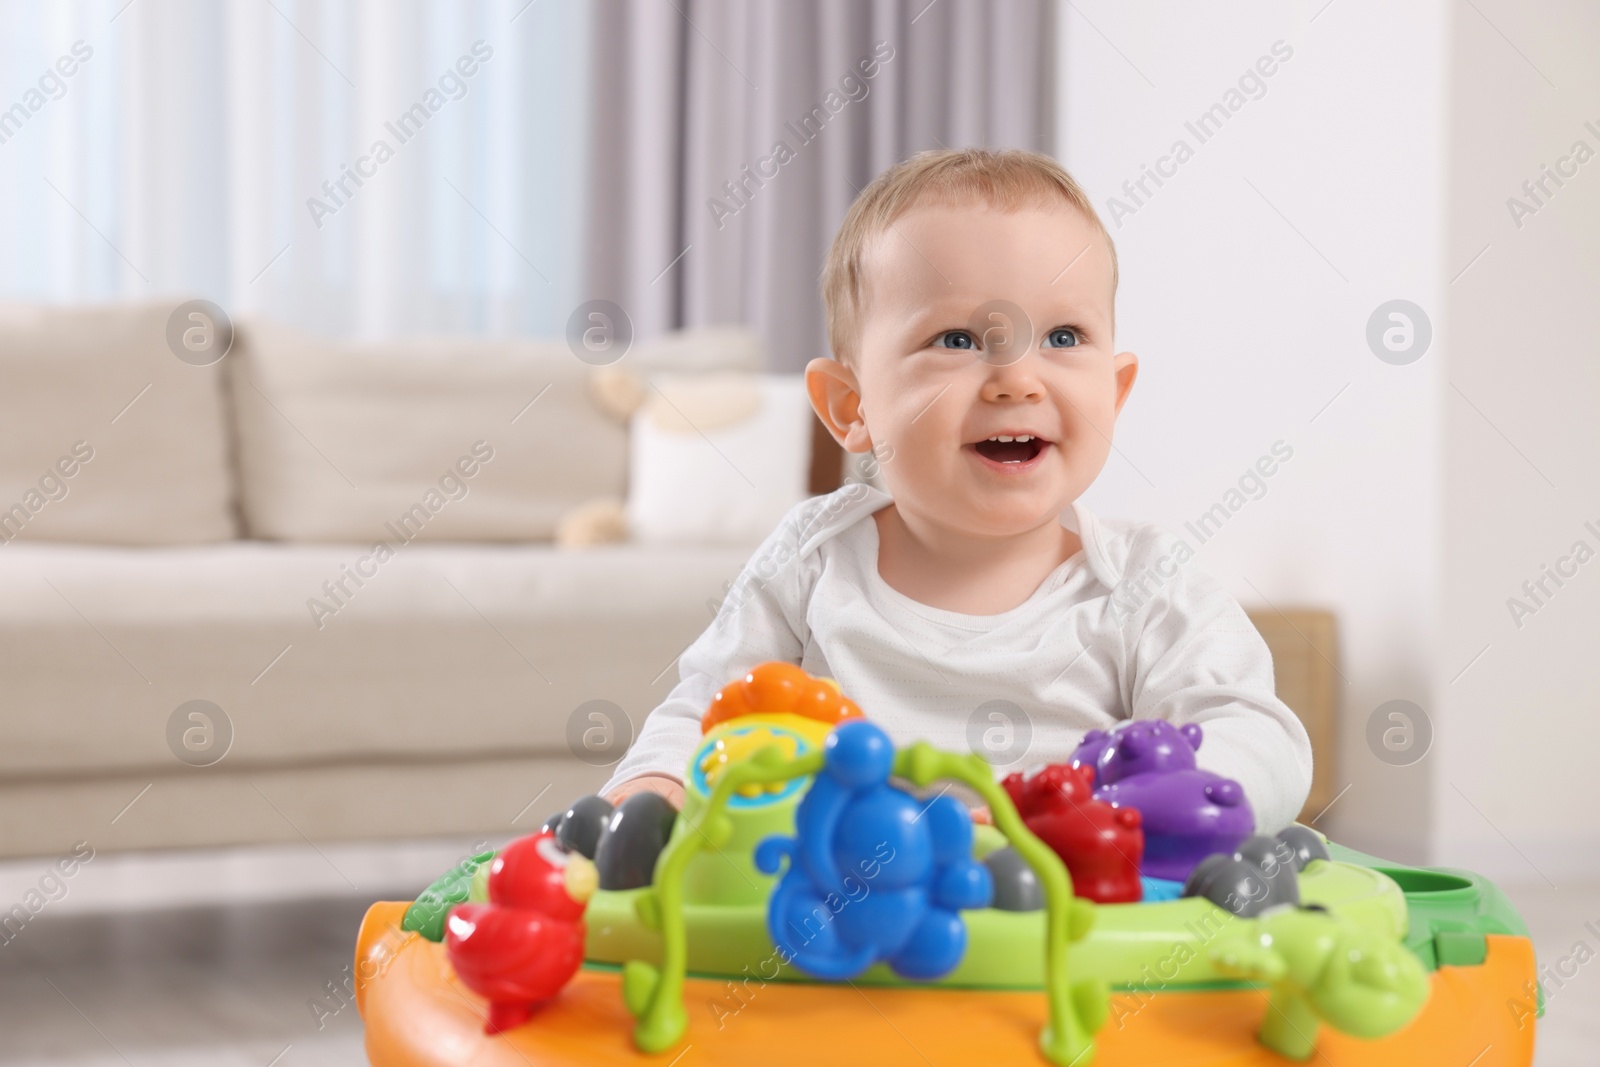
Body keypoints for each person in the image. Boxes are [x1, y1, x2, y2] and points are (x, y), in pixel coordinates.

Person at [600, 148, 1312, 834]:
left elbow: (1256, 736)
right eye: (958, 340)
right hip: (839, 926)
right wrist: (655, 788)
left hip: (1071, 935)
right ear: (852, 406)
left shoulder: (1145, 585)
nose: (1017, 379)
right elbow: (704, 712)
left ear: (1115, 391)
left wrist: (1126, 804)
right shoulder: (812, 559)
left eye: (1063, 336)